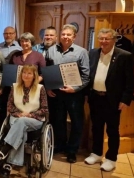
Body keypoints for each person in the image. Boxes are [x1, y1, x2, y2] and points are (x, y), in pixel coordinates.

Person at [84, 28, 134, 171]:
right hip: (95, 97)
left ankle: (111, 159)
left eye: (107, 39)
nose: (104, 41)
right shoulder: (93, 53)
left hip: (113, 100)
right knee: (96, 127)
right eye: (101, 38)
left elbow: (129, 81)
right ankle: (96, 153)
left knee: (112, 130)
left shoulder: (125, 56)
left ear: (114, 40)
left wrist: (125, 100)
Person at [0, 65, 48, 178]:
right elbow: (10, 106)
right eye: (24, 73)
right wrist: (19, 114)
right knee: (22, 130)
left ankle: (4, 151)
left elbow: (44, 110)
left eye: (29, 73)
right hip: (16, 118)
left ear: (34, 75)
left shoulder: (41, 89)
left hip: (34, 120)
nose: (26, 75)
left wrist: (30, 114)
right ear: (21, 74)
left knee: (22, 123)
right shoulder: (14, 87)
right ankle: (8, 165)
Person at [46, 24, 89, 163]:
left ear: (74, 37)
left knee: (77, 122)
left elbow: (86, 75)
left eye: (68, 34)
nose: (65, 37)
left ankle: (72, 150)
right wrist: (48, 87)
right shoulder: (51, 50)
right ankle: (60, 145)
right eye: (63, 34)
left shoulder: (81, 52)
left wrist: (75, 88)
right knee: (58, 121)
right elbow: (46, 71)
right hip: (56, 93)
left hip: (74, 94)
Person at [0, 32, 46, 143]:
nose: (24, 43)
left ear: (31, 42)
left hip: (32, 90)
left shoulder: (38, 56)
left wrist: (33, 83)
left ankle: (7, 146)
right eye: (22, 41)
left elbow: (43, 73)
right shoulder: (15, 55)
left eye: (26, 41)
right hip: (16, 89)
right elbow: (8, 71)